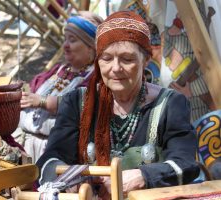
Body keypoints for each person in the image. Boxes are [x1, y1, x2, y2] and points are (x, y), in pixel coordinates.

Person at [36, 11, 200, 197]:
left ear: (146, 60)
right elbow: (49, 161)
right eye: (106, 58)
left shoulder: (170, 104)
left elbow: (186, 164)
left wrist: (143, 176)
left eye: (127, 59)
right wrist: (69, 179)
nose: (115, 68)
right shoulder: (76, 103)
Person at [14, 11, 103, 163]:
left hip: (59, 156)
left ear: (91, 47)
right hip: (27, 147)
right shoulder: (59, 70)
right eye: (65, 39)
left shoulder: (96, 77)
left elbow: (83, 104)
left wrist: (42, 101)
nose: (65, 46)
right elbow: (33, 89)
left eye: (72, 40)